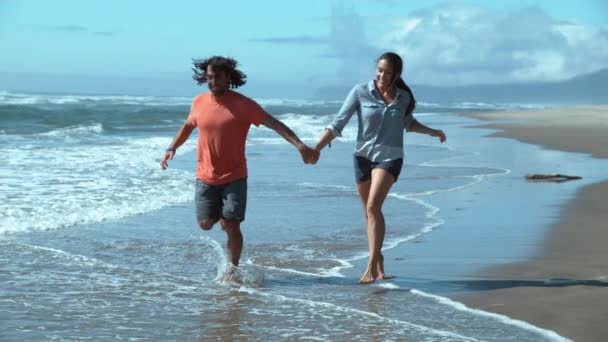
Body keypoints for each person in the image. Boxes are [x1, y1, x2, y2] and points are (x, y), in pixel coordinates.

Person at [160, 56, 318, 281]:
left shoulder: (244, 105)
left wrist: (300, 145)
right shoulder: (198, 102)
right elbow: (187, 126)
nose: (212, 81)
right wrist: (172, 147)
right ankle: (222, 219)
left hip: (234, 175)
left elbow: (275, 124)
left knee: (232, 225)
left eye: (217, 77)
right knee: (205, 224)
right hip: (205, 176)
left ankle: (231, 271)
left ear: (228, 78)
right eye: (209, 77)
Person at [312, 52, 446, 284]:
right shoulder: (360, 92)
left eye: (387, 72)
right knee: (369, 212)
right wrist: (316, 149)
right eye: (380, 70)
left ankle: (371, 266)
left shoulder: (403, 98)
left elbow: (408, 124)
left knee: (374, 205)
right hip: (363, 158)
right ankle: (379, 256)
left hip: (390, 158)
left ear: (397, 75)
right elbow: (338, 123)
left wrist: (433, 132)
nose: (382, 75)